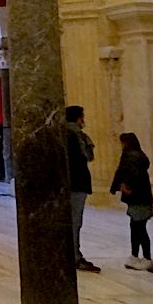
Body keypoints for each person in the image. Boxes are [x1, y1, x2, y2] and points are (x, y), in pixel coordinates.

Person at [110, 132, 153, 270]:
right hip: (141, 196)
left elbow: (126, 172)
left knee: (139, 228)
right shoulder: (139, 156)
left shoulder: (130, 156)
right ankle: (135, 256)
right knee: (136, 227)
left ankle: (146, 258)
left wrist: (123, 185)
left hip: (137, 196)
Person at [64, 105, 99, 272]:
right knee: (74, 221)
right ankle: (74, 256)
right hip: (76, 183)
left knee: (72, 221)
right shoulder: (75, 136)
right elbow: (84, 157)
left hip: (69, 183)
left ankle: (71, 254)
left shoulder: (66, 134)